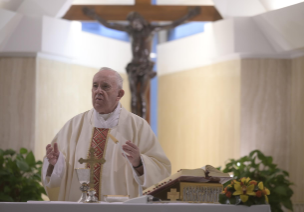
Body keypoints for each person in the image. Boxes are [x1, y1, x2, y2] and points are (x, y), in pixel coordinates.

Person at [42, 67, 171, 201]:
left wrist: (139, 163)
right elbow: (54, 175)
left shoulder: (138, 126)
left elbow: (161, 170)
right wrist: (54, 165)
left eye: (105, 87)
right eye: (95, 86)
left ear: (119, 94)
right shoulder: (73, 126)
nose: (98, 91)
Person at [83, 7, 200, 119]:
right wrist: (94, 15)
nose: (133, 25)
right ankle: (134, 119)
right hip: (134, 67)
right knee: (134, 95)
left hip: (145, 67)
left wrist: (189, 15)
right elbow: (110, 25)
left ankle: (142, 122)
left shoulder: (150, 30)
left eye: (135, 22)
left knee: (142, 95)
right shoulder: (131, 30)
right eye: (132, 23)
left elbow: (172, 25)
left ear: (140, 20)